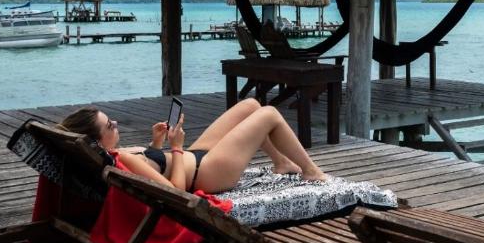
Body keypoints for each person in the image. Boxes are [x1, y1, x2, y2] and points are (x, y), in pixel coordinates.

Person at [58, 98, 328, 194]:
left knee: (250, 106)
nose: (115, 123)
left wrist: (157, 143)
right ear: (96, 141)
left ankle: (282, 162)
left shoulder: (115, 154)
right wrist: (176, 147)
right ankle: (311, 170)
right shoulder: (124, 161)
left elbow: (153, 167)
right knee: (268, 114)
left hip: (194, 157)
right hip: (207, 173)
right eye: (110, 126)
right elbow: (175, 192)